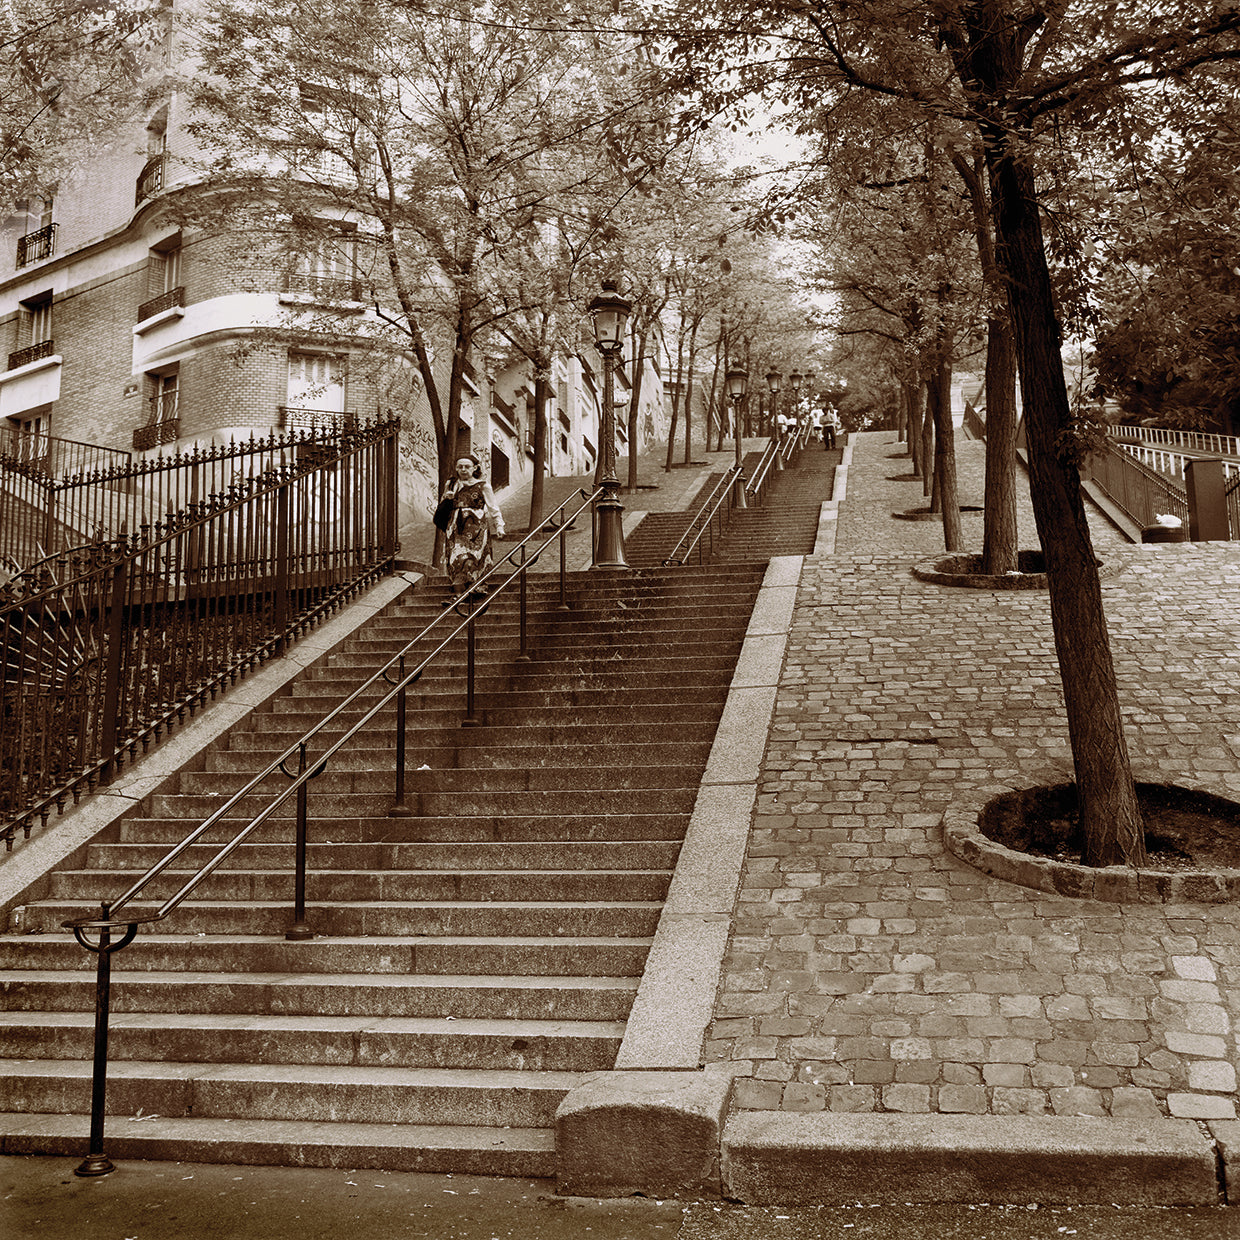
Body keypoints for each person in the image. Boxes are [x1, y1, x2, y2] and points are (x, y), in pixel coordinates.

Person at [439, 454, 504, 602]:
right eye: (460, 467)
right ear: (456, 468)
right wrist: (446, 498)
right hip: (455, 526)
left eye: (467, 466)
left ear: (475, 468)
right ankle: (458, 594)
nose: (463, 469)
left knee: (473, 557)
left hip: (477, 526)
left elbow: (493, 507)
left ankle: (475, 588)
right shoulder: (451, 484)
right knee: (455, 558)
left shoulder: (483, 486)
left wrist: (499, 526)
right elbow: (443, 505)